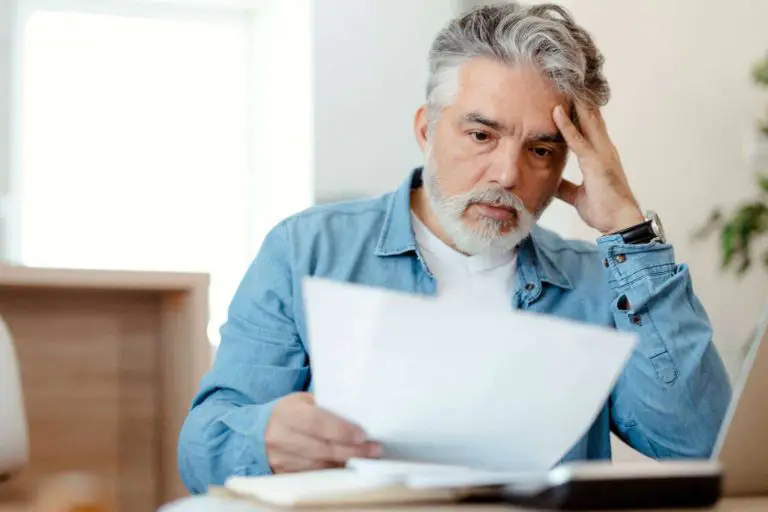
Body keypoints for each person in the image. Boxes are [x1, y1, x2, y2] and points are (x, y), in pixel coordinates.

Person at [178, 2, 731, 493]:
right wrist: (266, 437)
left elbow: (698, 444)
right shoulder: (307, 249)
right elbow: (202, 451)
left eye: (541, 150)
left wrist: (630, 233)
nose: (508, 174)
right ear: (426, 130)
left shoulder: (597, 283)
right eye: (481, 135)